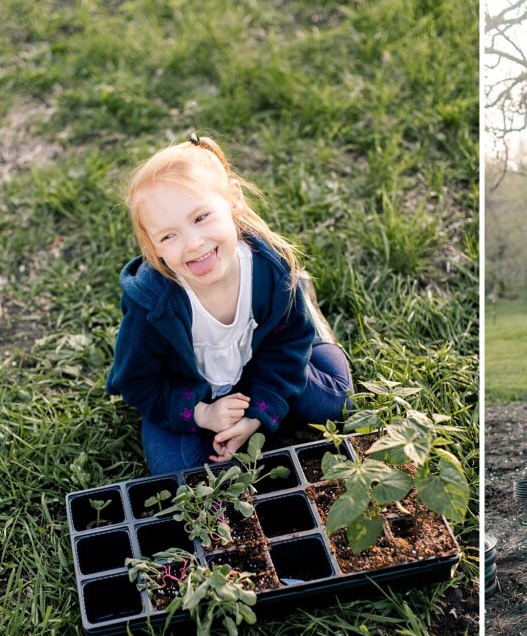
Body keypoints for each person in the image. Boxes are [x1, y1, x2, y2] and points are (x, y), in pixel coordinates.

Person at [107, 134, 352, 474]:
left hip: (258, 361)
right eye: (169, 235)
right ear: (153, 247)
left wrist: (258, 416)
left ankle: (310, 316)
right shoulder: (151, 306)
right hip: (190, 390)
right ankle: (210, 420)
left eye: (200, 217)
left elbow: (286, 345)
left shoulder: (269, 270)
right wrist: (201, 414)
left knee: (337, 403)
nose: (193, 243)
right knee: (177, 470)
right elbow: (137, 382)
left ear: (232, 201)